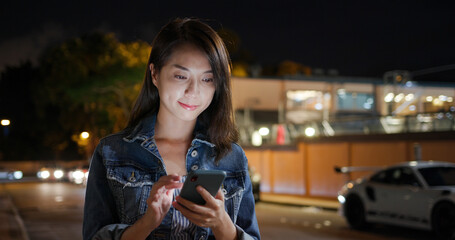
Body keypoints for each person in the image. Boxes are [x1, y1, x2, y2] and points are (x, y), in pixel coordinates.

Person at [83, 18, 261, 240]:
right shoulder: (112, 152)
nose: (193, 90)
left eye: (207, 79)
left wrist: (222, 224)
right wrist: (147, 223)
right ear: (155, 74)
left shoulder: (231, 157)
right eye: (181, 76)